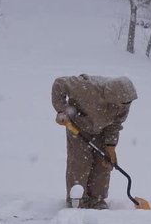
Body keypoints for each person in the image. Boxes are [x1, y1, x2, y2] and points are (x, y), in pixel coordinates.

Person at [51, 74, 138, 210]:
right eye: (123, 103)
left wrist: (110, 146)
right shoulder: (86, 87)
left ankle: (97, 201)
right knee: (80, 163)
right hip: (78, 126)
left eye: (128, 102)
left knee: (104, 163)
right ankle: (77, 200)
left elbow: (115, 124)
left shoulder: (124, 102)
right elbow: (58, 84)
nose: (126, 106)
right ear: (113, 96)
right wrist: (62, 111)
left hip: (102, 130)